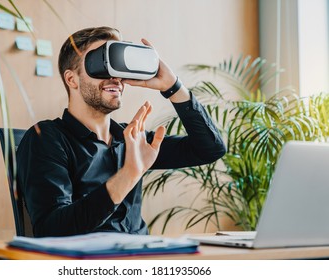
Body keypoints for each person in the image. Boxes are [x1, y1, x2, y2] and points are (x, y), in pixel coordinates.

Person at [16, 26, 226, 237]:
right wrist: (129, 173)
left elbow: (210, 149)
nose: (115, 78)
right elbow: (52, 229)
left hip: (141, 257)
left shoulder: (132, 140)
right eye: (100, 65)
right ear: (72, 79)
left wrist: (172, 86)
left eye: (117, 66)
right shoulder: (46, 138)